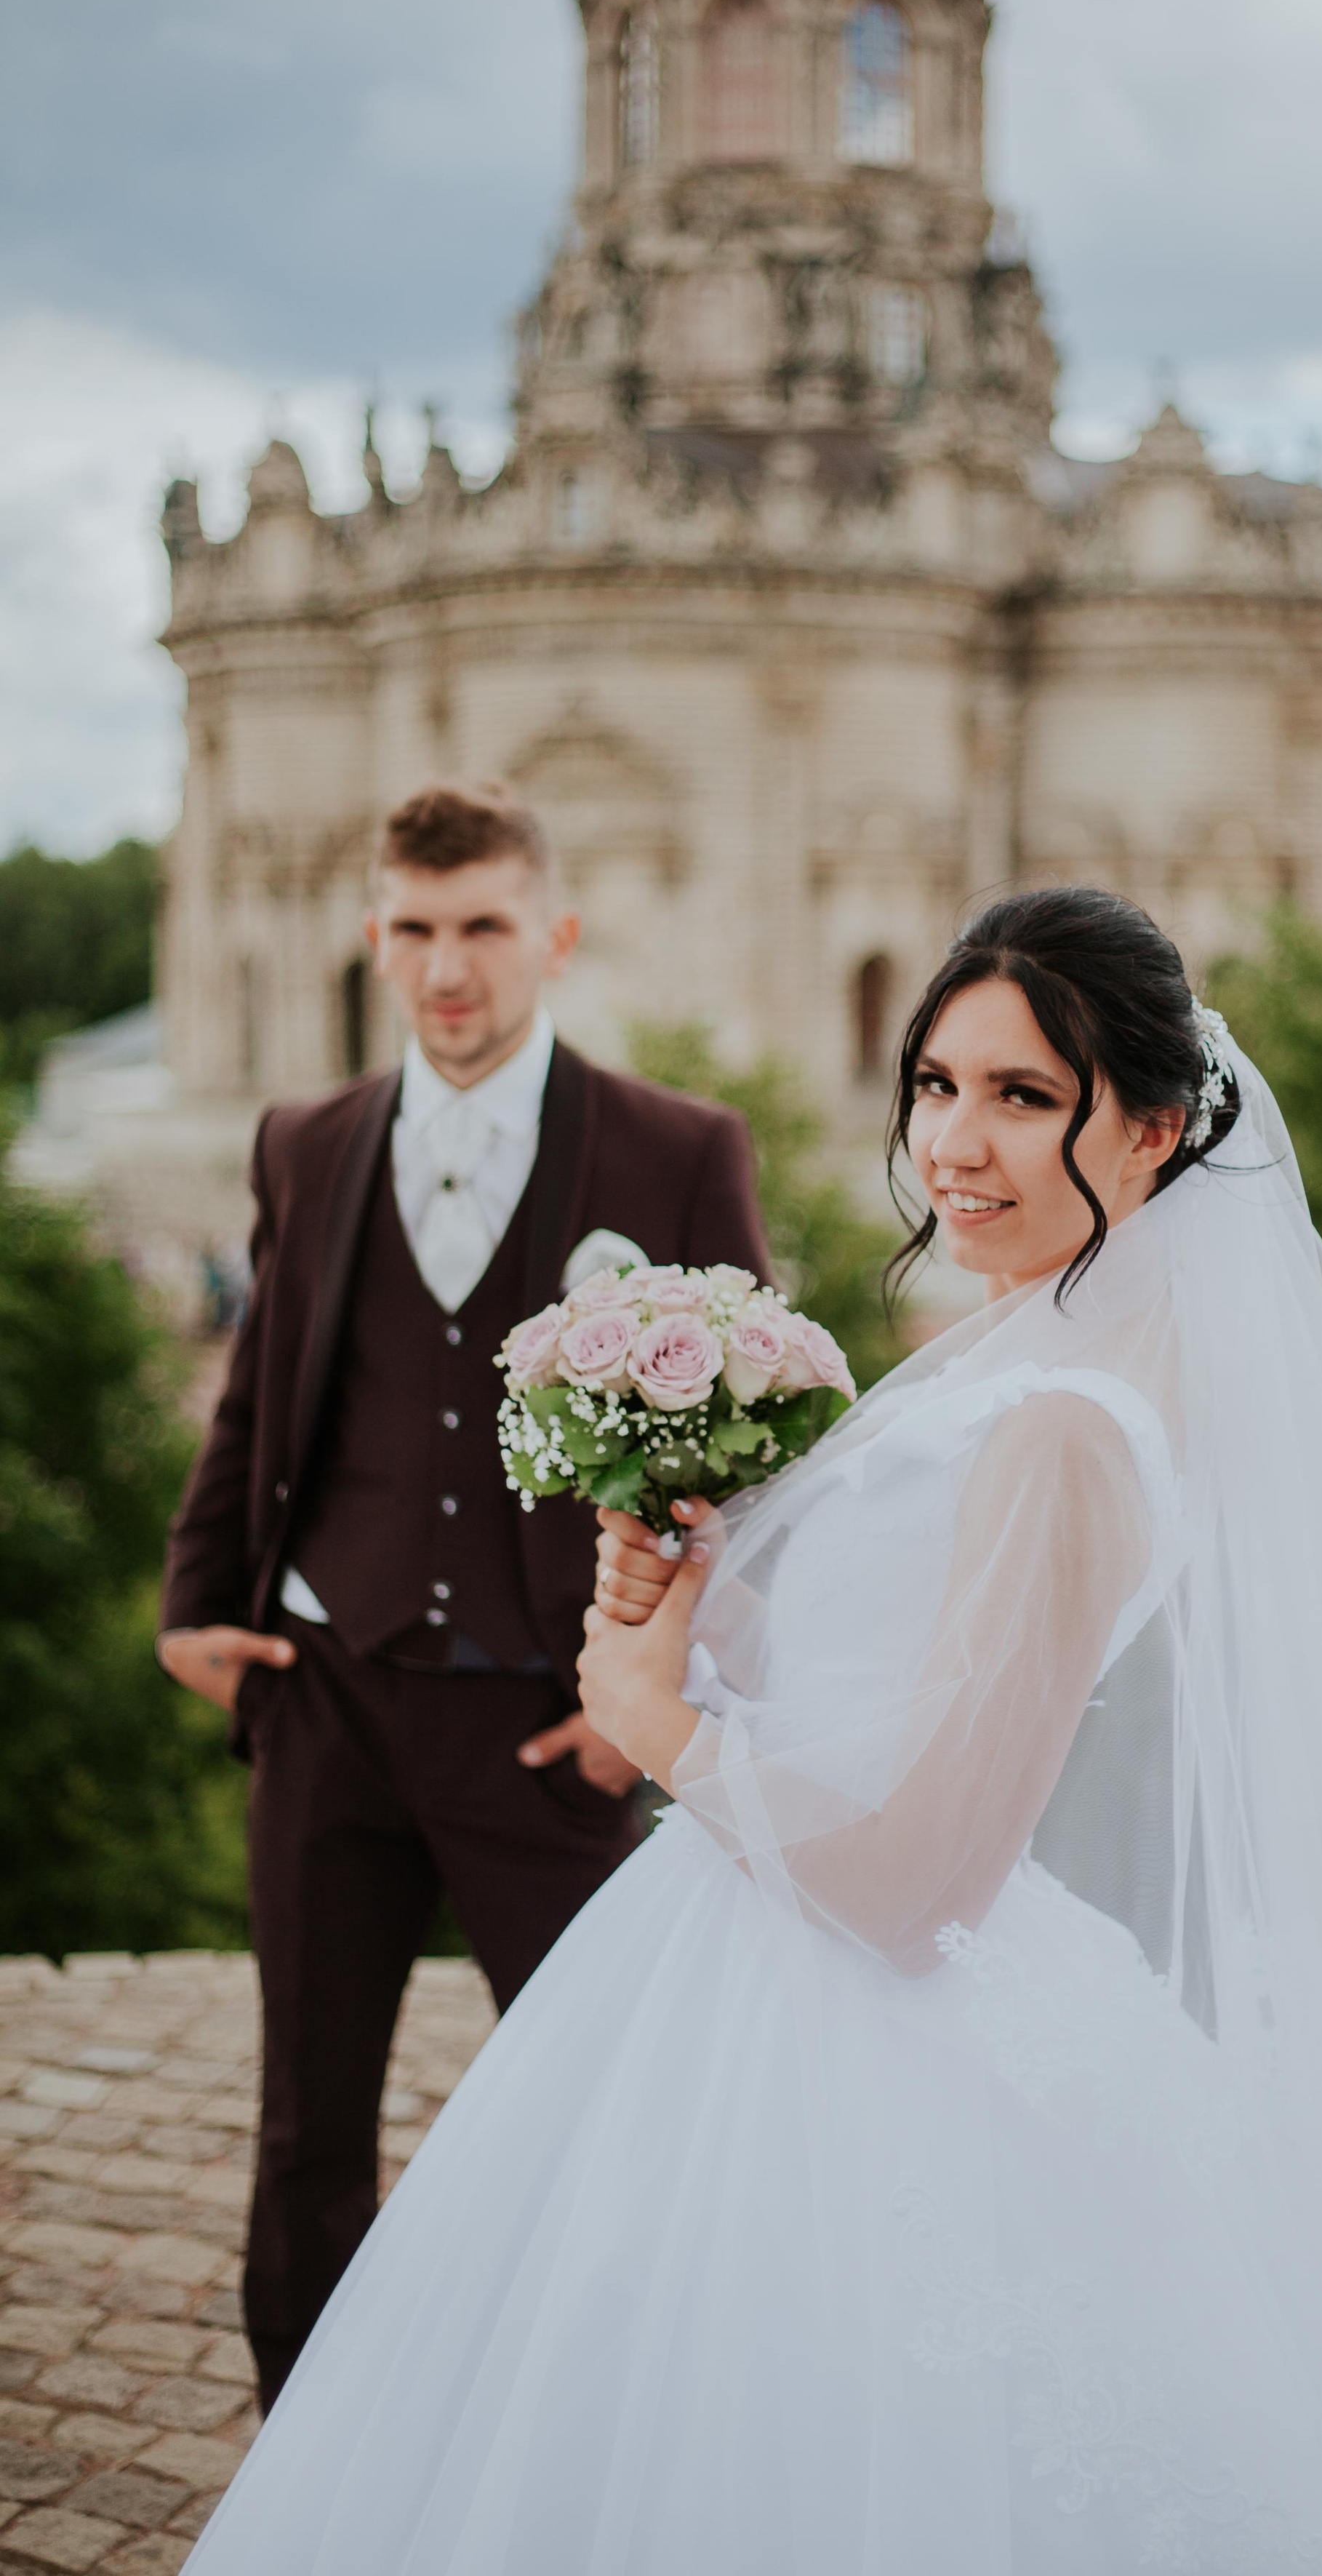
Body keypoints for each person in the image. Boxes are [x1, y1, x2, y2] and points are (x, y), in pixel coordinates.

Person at [181, 886, 1322, 2573]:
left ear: (1156, 1133)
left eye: (1025, 1098)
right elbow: (861, 1679)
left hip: (850, 1996)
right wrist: (686, 1583)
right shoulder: (1014, 1347)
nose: (956, 1142)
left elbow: (919, 1878)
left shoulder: (1064, 1430)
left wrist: (654, 1725)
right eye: (937, 1086)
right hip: (747, 1941)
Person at [157, 780, 769, 2411]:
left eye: (484, 925)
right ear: (376, 935)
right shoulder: (306, 1143)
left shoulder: (674, 1150)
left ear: (552, 934)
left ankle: (607, 2446)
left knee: (603, 2118)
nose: (448, 967)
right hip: (328, 1698)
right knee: (305, 2135)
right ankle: (308, 2467)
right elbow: (258, 1393)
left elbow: (743, 1463)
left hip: (542, 1724)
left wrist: (646, 1694)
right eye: (415, 928)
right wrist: (191, 1600)